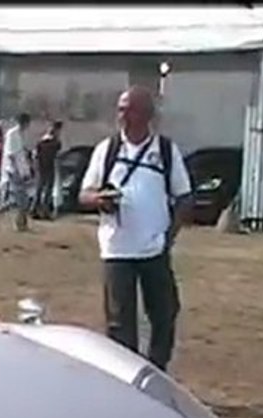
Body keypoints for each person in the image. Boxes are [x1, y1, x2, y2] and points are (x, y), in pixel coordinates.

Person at [78, 85, 193, 371]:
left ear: (147, 114)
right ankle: (125, 375)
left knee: (165, 313)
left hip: (154, 249)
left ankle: (157, 369)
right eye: (120, 109)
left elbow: (184, 197)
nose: (122, 116)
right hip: (117, 249)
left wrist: (168, 237)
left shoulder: (165, 151)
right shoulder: (107, 150)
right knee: (120, 322)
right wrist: (100, 200)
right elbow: (84, 194)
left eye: (128, 110)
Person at [0, 112, 33, 230]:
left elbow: (20, 155)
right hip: (14, 170)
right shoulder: (12, 134)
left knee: (17, 199)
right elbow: (12, 154)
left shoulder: (19, 135)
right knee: (23, 199)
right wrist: (18, 170)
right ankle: (20, 223)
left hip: (20, 170)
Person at [33, 120, 63, 219]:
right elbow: (57, 155)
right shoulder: (56, 142)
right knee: (47, 189)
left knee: (39, 188)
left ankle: (35, 209)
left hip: (41, 166)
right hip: (49, 166)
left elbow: (35, 154)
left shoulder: (41, 141)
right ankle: (44, 210)